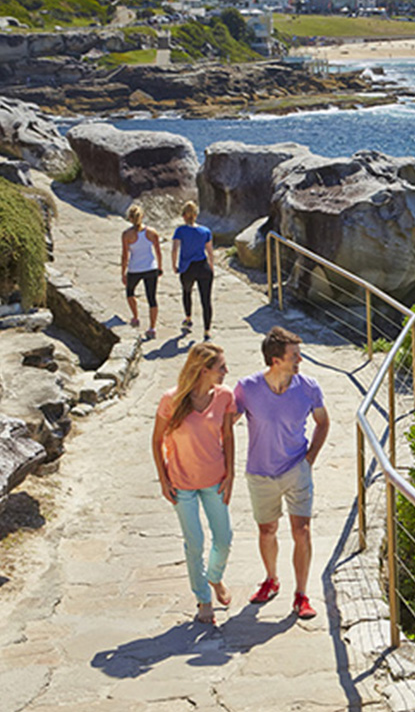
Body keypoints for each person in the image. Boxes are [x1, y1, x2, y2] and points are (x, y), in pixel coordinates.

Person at [235, 326, 330, 620]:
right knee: (267, 530)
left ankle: (301, 595)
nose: (299, 360)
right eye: (294, 355)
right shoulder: (247, 388)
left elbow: (323, 422)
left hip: (296, 470)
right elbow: (225, 423)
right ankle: (271, 579)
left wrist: (309, 459)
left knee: (301, 531)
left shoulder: (309, 387)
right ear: (276, 360)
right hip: (260, 473)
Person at [151, 343, 236, 625]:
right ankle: (203, 599)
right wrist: (163, 479)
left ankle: (214, 578)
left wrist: (231, 473)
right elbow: (156, 440)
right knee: (195, 543)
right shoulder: (171, 400)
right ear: (204, 370)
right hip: (182, 483)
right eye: (221, 367)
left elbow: (228, 435)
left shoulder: (224, 396)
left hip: (215, 480)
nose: (226, 371)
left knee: (224, 539)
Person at [172, 201, 216, 341]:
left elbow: (175, 249)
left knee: (187, 292)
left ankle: (188, 318)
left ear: (184, 216)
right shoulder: (205, 231)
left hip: (187, 267)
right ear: (196, 215)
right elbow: (210, 252)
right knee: (206, 300)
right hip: (203, 266)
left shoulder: (180, 231)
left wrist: (174, 265)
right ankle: (207, 331)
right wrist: (211, 267)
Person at [120, 204, 163, 339]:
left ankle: (135, 317)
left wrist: (123, 272)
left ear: (130, 218)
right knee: (152, 298)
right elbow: (158, 252)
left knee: (130, 292)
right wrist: (160, 267)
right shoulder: (152, 232)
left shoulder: (126, 235)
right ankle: (152, 327)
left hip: (134, 269)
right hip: (151, 267)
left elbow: (125, 255)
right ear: (142, 216)